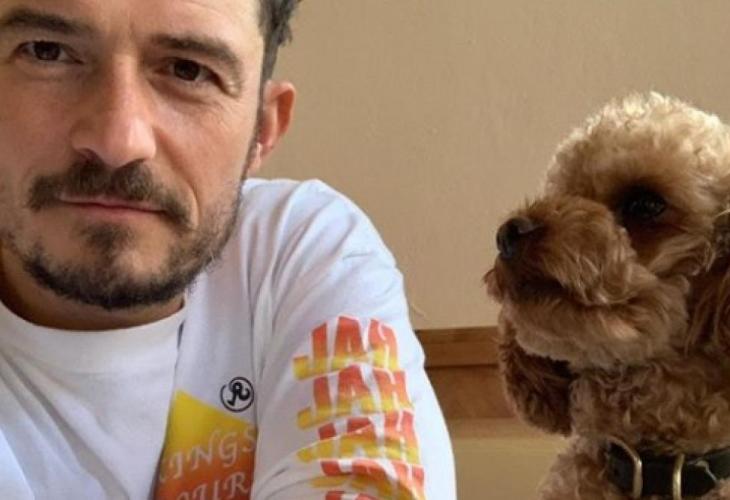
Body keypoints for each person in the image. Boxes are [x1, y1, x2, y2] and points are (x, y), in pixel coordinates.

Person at [0, 0, 455, 498]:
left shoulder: (297, 253)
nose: (118, 141)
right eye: (46, 52)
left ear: (263, 129)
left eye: (188, 71)